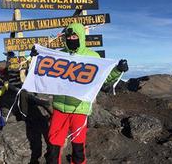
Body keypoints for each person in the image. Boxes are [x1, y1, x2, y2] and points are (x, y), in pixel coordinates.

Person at [30, 23, 128, 164]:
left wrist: (118, 70)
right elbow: (41, 71)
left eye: (75, 36)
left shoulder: (92, 56)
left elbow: (103, 79)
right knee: (53, 143)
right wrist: (35, 58)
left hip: (80, 108)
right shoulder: (60, 54)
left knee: (78, 144)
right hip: (59, 106)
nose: (71, 38)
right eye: (69, 36)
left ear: (81, 37)